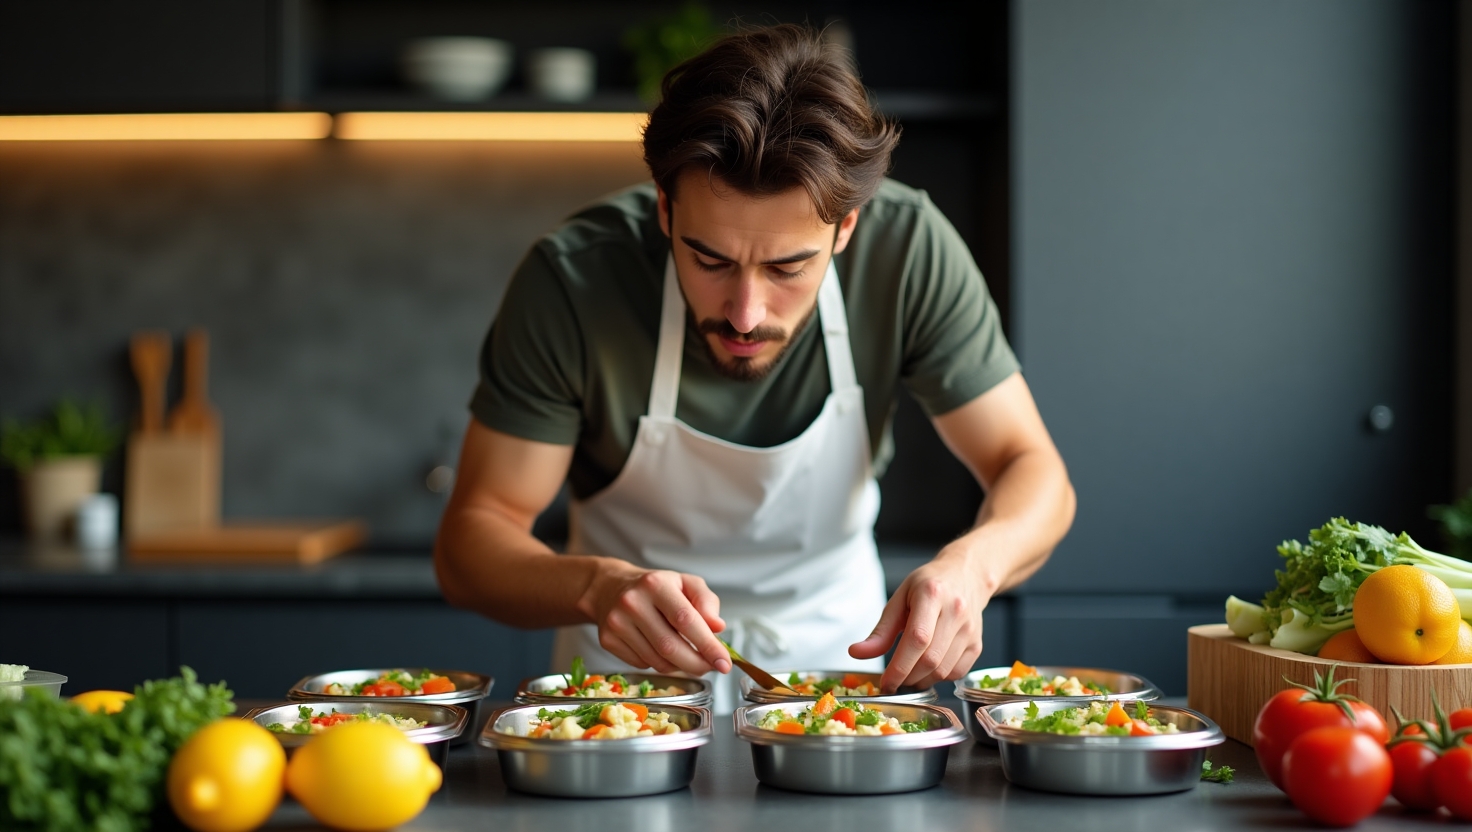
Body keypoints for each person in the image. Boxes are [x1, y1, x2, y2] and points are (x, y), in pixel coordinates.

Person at [434, 24, 1076, 713]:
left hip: (841, 691)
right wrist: (596, 588)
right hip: (622, 708)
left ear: (847, 228)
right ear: (665, 208)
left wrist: (971, 569)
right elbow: (473, 539)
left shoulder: (909, 250)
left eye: (787, 267)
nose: (745, 313)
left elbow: (1031, 467)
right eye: (709, 260)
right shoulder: (573, 280)